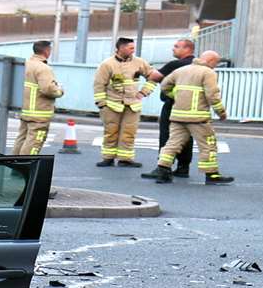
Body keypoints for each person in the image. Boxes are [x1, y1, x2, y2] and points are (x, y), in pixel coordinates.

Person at [144, 50, 233, 185]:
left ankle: (163, 170)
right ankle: (212, 174)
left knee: (172, 143)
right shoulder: (208, 73)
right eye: (216, 62)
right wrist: (221, 112)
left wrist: (176, 96)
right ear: (211, 61)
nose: (216, 65)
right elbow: (212, 95)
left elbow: (164, 86)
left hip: (177, 115)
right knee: (208, 144)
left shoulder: (181, 70)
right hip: (198, 117)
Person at [91, 37, 153, 167]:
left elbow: (153, 77)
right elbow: (99, 84)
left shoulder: (140, 62)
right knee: (110, 131)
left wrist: (144, 92)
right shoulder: (107, 64)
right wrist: (101, 103)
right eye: (130, 47)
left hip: (133, 105)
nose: (133, 50)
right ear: (121, 48)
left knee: (129, 132)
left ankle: (125, 159)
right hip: (112, 105)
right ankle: (108, 158)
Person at [145, 37, 196, 177]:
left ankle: (163, 168)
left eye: (177, 46)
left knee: (167, 136)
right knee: (186, 137)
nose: (173, 48)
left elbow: (155, 76)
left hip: (173, 106)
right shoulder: (198, 66)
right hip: (192, 108)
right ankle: (183, 167)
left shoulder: (175, 65)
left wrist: (141, 69)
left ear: (187, 49)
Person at [14, 40, 66, 155]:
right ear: (47, 51)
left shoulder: (25, 64)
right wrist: (60, 91)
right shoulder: (43, 68)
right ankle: (25, 168)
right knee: (34, 143)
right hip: (39, 114)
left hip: (25, 110)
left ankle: (14, 166)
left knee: (21, 139)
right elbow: (48, 89)